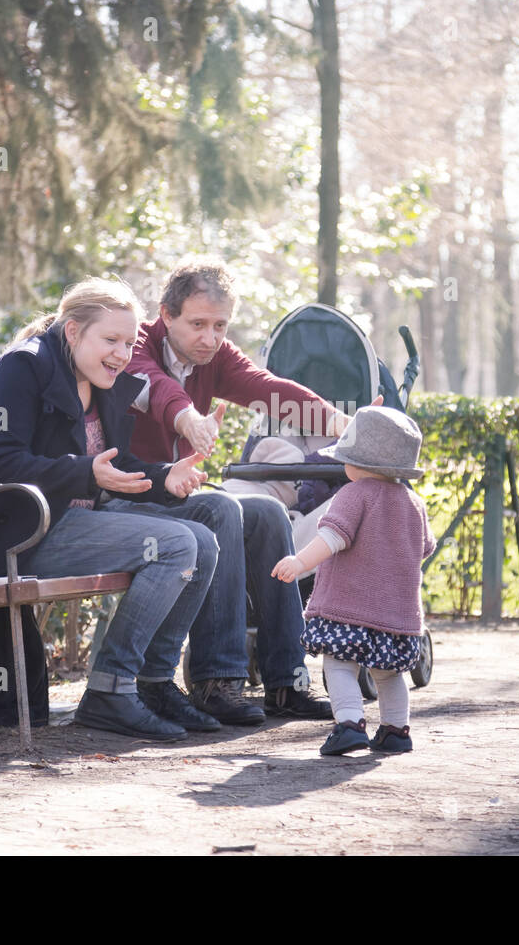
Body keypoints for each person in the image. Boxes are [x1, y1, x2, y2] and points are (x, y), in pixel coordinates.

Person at [0, 278, 222, 742]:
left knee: (204, 540)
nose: (122, 354)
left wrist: (165, 477)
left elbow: (112, 464)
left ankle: (152, 683)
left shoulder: (100, 382)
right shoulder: (23, 369)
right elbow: (2, 463)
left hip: (65, 524)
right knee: (177, 545)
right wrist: (85, 473)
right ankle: (111, 691)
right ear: (74, 332)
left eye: (130, 342)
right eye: (111, 340)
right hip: (15, 532)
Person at [125, 257, 344, 724]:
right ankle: (216, 681)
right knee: (222, 509)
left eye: (220, 325)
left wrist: (343, 425)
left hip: (178, 494)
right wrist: (188, 418)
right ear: (166, 315)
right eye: (198, 324)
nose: (210, 338)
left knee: (264, 512)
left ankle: (286, 681)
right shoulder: (134, 344)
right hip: (131, 492)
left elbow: (268, 390)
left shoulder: (215, 357)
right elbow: (156, 387)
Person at [271, 406, 435, 756]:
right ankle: (395, 729)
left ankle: (349, 724)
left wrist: (299, 562)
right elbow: (425, 548)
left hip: (349, 610)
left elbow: (332, 539)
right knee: (389, 674)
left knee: (340, 664)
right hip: (397, 617)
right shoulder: (414, 503)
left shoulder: (353, 494)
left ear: (358, 465)